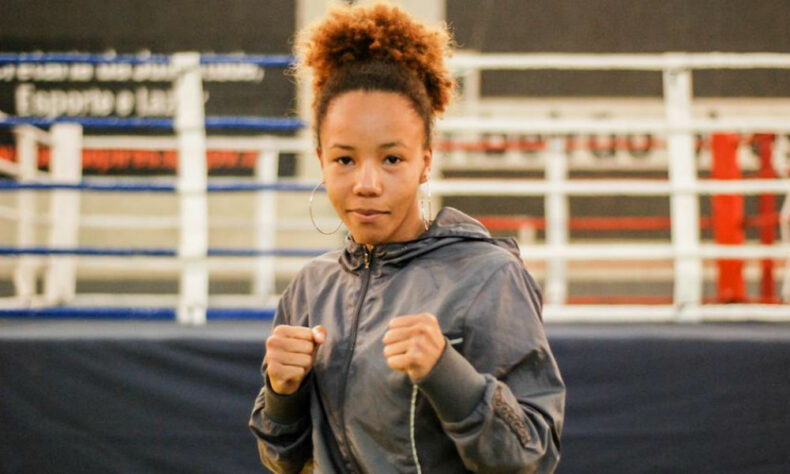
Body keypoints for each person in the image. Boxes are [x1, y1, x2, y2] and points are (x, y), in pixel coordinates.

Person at [249, 3, 565, 473]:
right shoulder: (311, 288)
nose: (367, 183)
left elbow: (533, 455)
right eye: (345, 160)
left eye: (392, 159)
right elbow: (284, 460)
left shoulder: (488, 276)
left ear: (426, 162)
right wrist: (280, 393)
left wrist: (446, 372)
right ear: (320, 159)